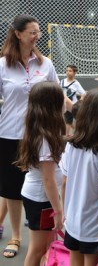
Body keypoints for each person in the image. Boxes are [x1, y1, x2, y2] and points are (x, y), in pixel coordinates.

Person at [0, 14, 60, 258]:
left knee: (43, 186)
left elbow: (59, 96)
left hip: (41, 135)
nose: (37, 36)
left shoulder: (46, 64)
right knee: (12, 189)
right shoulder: (3, 64)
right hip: (10, 134)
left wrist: (82, 111)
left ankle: (43, 237)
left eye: (38, 32)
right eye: (32, 32)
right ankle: (16, 236)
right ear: (18, 34)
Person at [60, 88, 98, 266]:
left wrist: (66, 213)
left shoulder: (72, 144)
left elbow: (64, 183)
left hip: (72, 221)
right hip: (94, 226)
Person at [15, 81, 65, 266]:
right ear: (52, 105)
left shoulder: (40, 130)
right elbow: (48, 179)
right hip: (41, 200)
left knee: (47, 246)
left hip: (39, 198)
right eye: (61, 100)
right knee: (38, 249)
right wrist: (58, 211)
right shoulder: (45, 137)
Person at [60, 64, 86, 135]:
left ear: (74, 73)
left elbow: (83, 93)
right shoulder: (62, 81)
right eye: (67, 70)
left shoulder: (76, 83)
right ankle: (79, 131)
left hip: (72, 105)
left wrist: (80, 102)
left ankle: (66, 136)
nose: (68, 72)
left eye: (70, 71)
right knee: (67, 120)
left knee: (68, 120)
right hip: (63, 104)